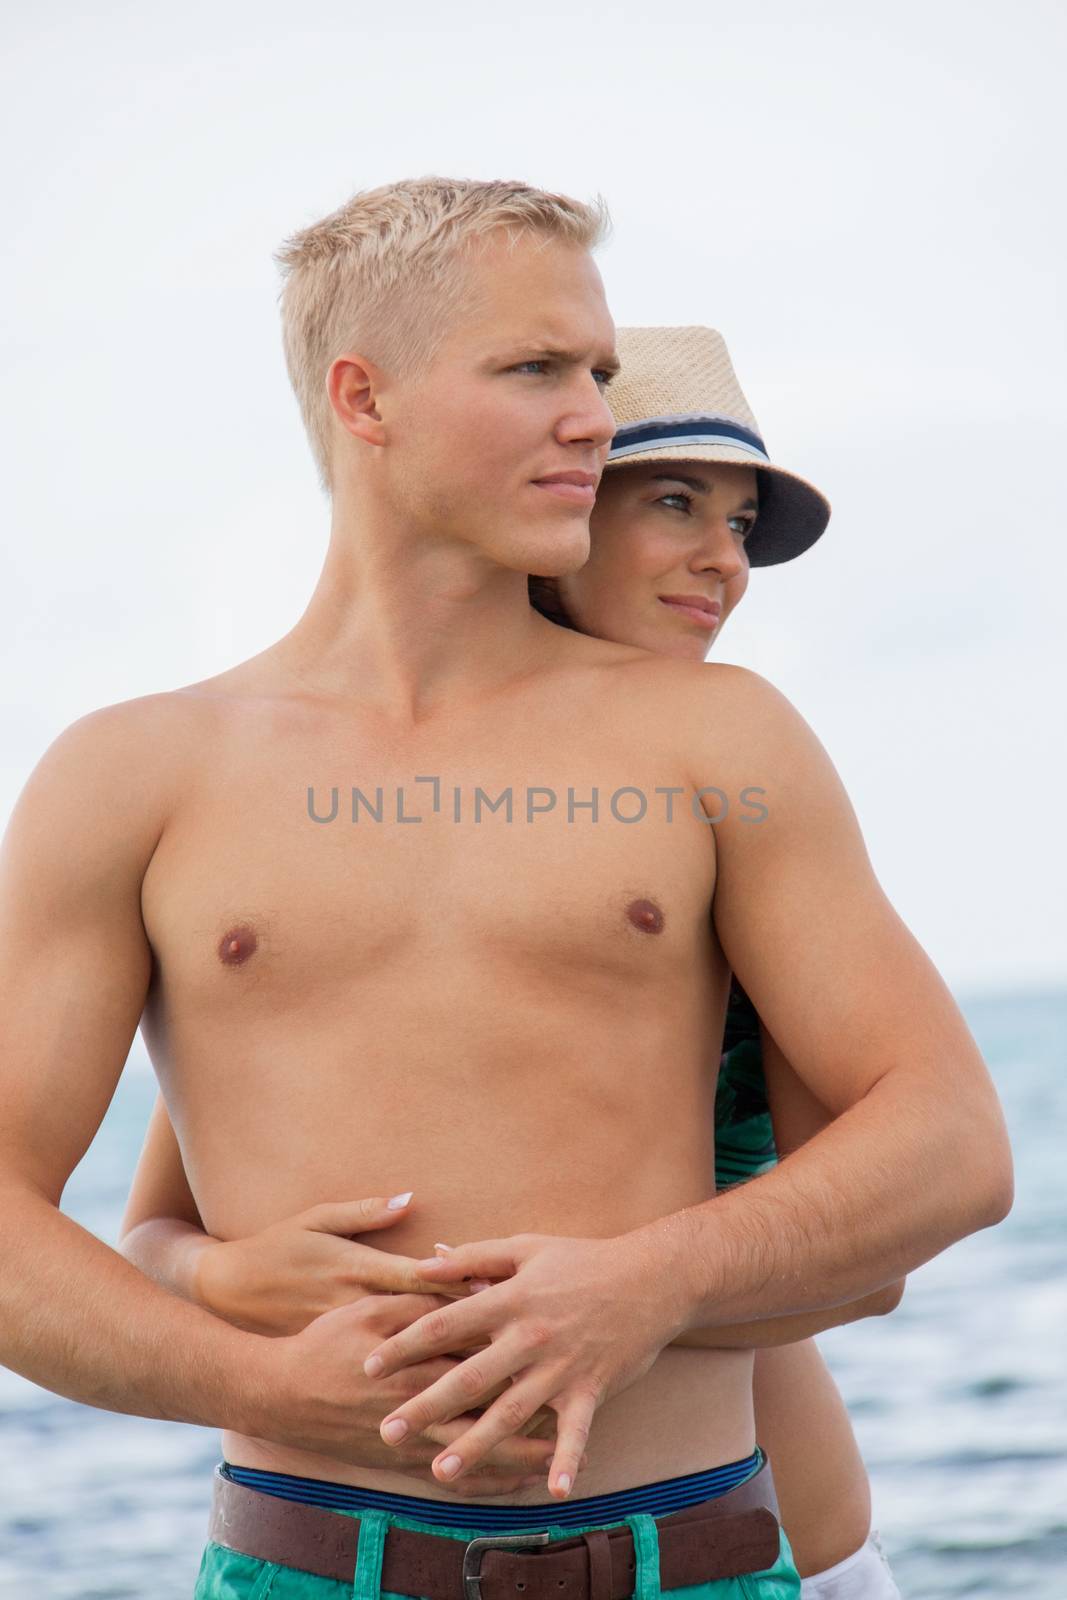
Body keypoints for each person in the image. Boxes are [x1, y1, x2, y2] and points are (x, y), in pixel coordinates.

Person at [0, 177, 1012, 1600]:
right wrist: (259, 1376)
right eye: (536, 368)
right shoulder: (133, 775)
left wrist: (648, 1282)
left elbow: (950, 1142)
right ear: (364, 398)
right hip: (307, 1568)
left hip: (691, 1560)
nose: (591, 414)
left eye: (595, 374)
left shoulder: (714, 736)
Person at [118, 324, 903, 1597]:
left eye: (740, 523)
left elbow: (873, 1266)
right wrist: (214, 1271)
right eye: (673, 504)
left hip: (772, 1551)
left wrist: (598, 1302)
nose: (723, 560)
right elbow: (174, 1213)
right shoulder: (393, 834)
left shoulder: (730, 802)